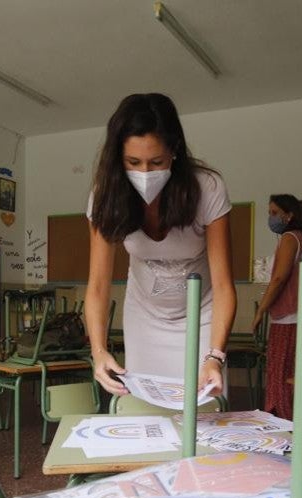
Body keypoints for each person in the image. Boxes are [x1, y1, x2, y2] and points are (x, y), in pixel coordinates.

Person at [84, 93, 235, 398]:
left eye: (156, 162)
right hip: (144, 314)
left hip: (202, 313)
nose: (144, 173)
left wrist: (215, 356)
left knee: (204, 410)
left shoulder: (207, 188)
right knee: (147, 406)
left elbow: (223, 285)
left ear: (174, 152)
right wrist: (98, 351)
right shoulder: (106, 195)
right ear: (118, 158)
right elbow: (98, 285)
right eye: (133, 162)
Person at [252, 194, 302, 419]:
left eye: (274, 213)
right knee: (295, 372)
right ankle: (296, 419)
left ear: (289, 215)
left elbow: (279, 278)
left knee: (281, 372)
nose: (270, 218)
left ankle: (283, 420)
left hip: (290, 318)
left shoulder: (290, 238)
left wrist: (260, 311)